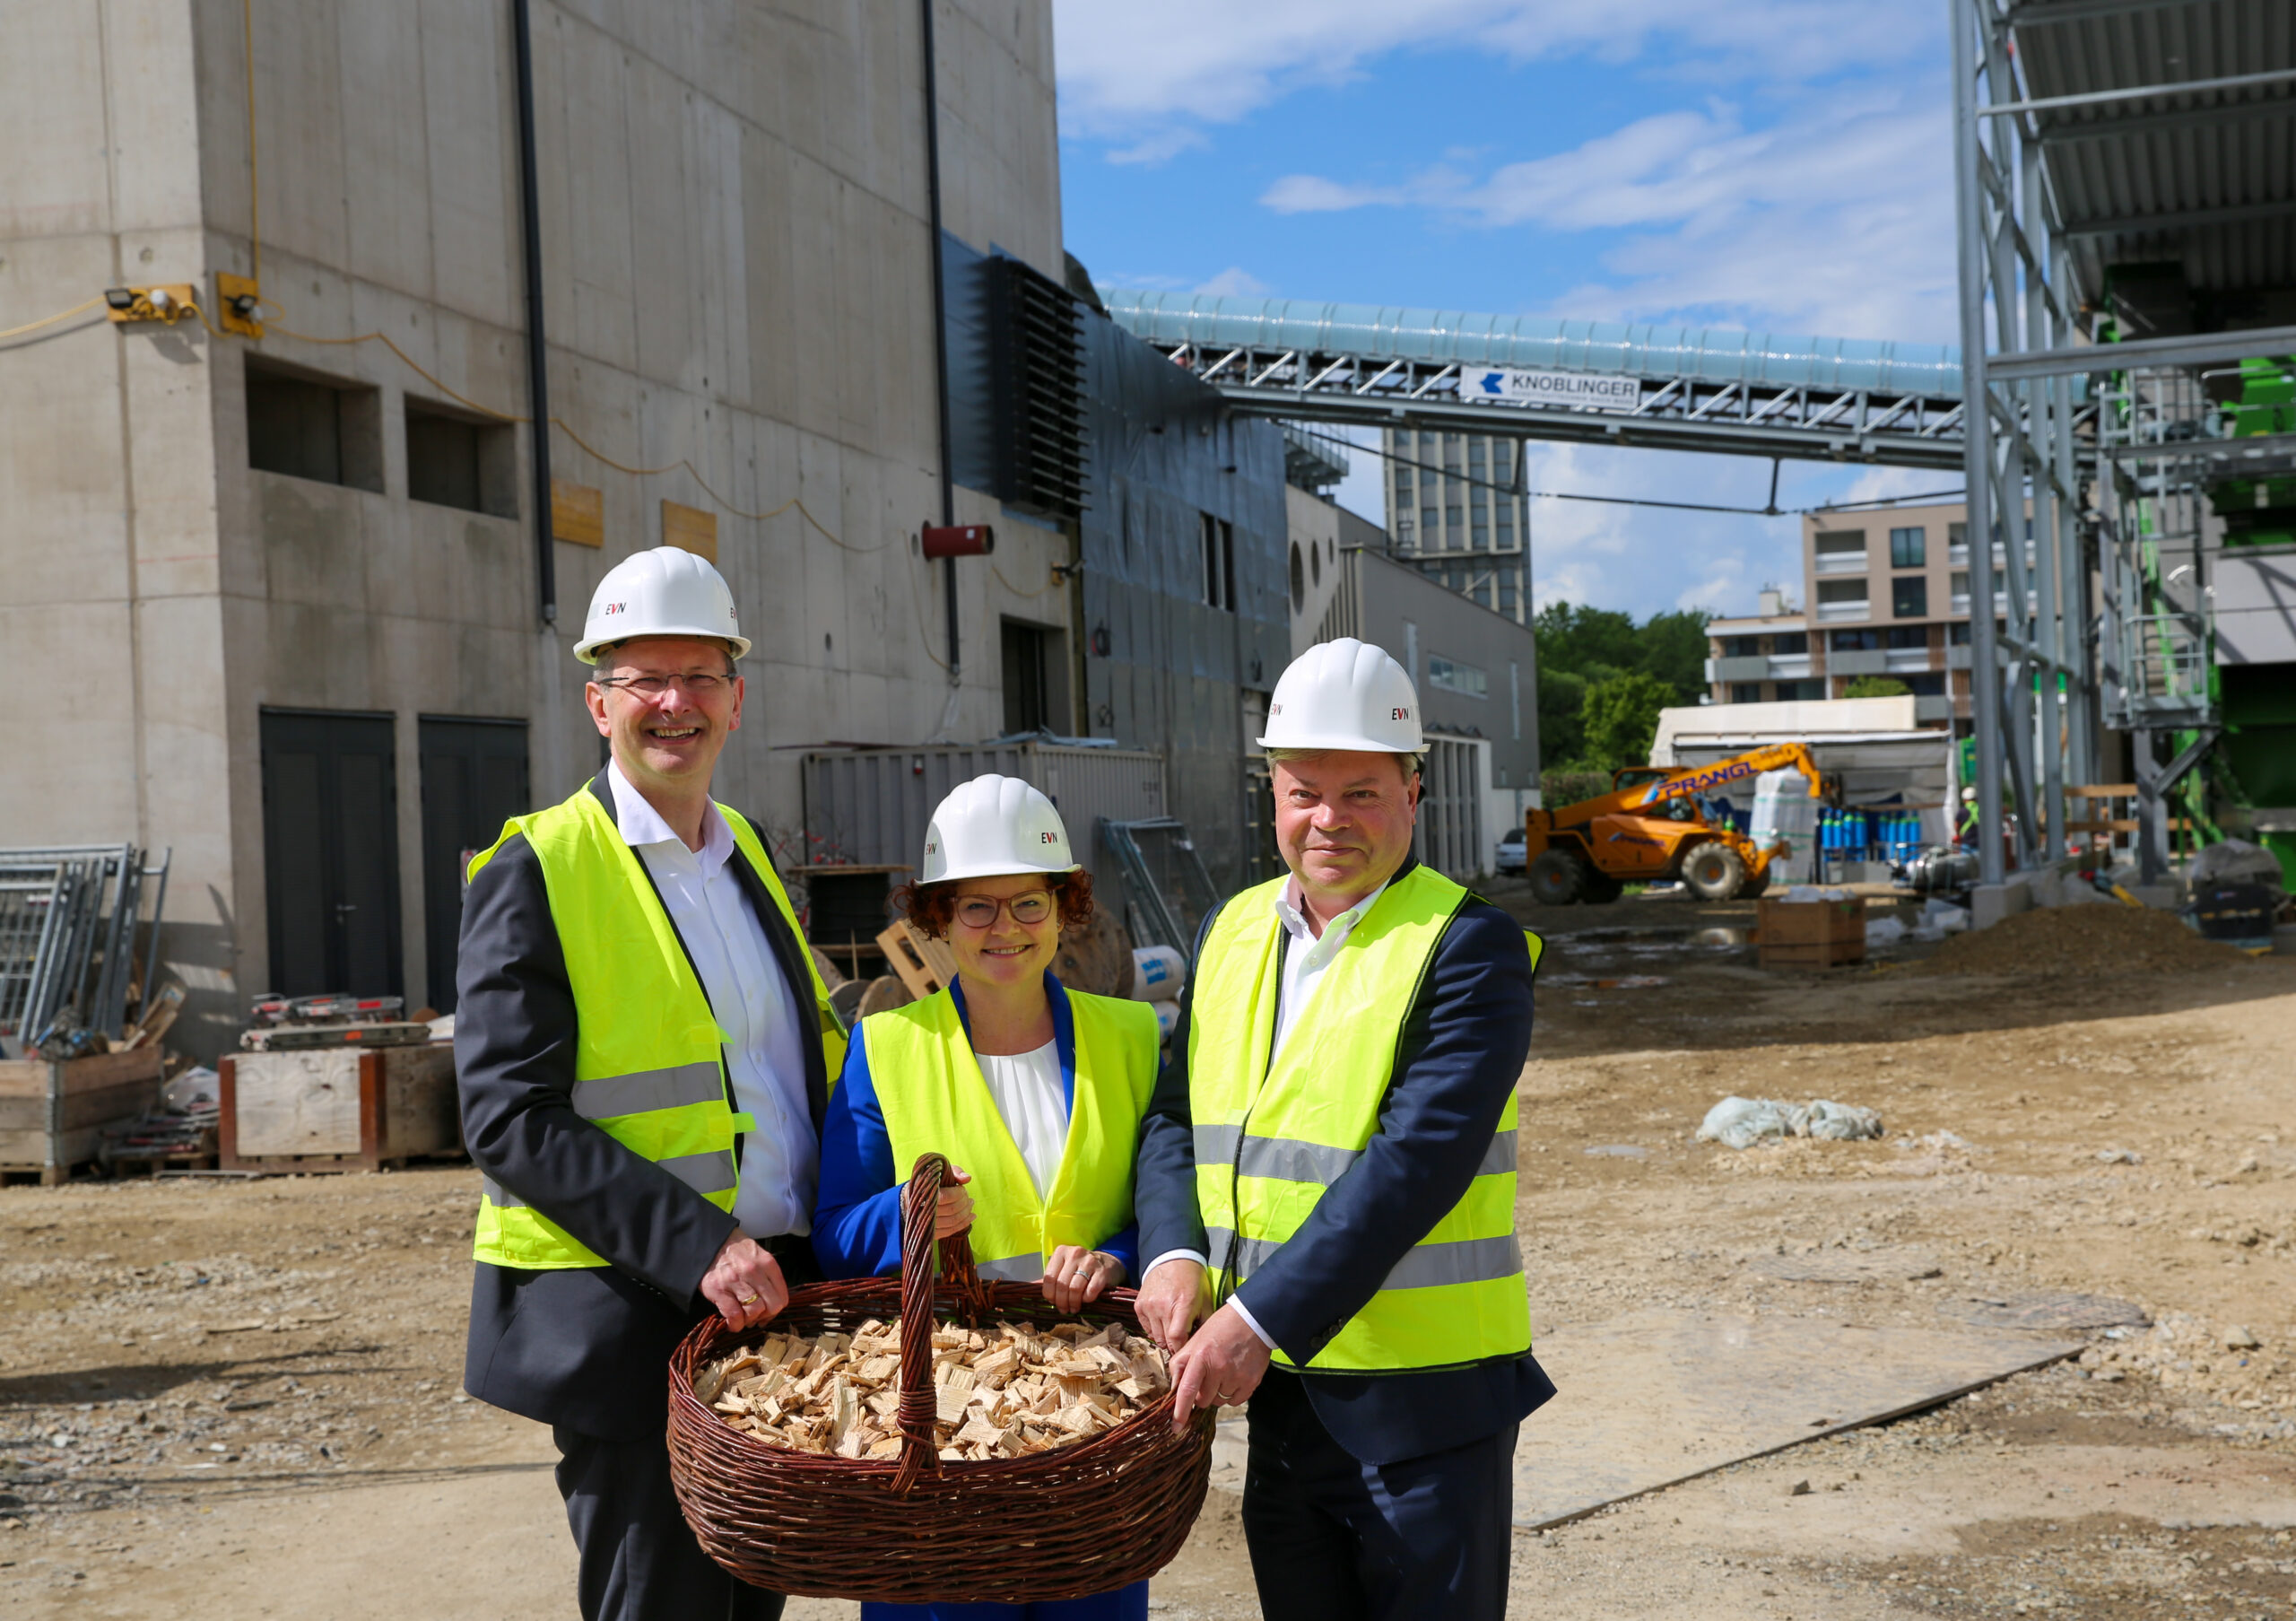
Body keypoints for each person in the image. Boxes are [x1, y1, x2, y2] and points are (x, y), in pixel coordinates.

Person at [456, 546, 843, 1621]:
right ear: (597, 702)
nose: (675, 704)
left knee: (749, 1603)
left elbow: (787, 1072)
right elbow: (508, 1118)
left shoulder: (749, 852)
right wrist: (700, 1246)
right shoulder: (538, 867)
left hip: (772, 1307)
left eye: (701, 676)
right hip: (633, 1322)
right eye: (644, 680)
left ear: (736, 695)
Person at [1130, 638, 1550, 1621]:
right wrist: (1173, 1249)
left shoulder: (1466, 946)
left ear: (1413, 789)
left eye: (1361, 792)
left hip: (1425, 1408)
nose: (1329, 819)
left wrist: (1254, 1318)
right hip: (1284, 1403)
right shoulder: (1231, 930)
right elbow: (1172, 1117)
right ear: (1270, 793)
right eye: (1304, 790)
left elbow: (1417, 1162)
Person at [813, 774, 1161, 1621]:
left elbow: (1176, 1209)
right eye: (975, 907)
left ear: (1064, 905)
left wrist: (1118, 1253)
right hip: (943, 1419)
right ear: (936, 917)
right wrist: (907, 1216)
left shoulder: (1134, 1037)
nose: (1005, 928)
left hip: (1094, 1415)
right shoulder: (885, 1046)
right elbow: (831, 1234)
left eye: (1028, 904)